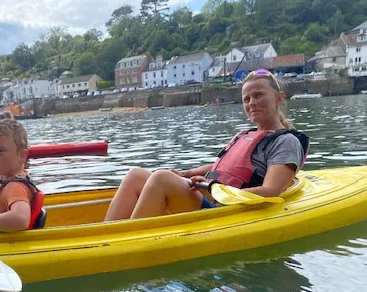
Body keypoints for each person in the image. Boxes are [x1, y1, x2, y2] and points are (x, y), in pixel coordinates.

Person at [105, 69, 309, 221]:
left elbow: (270, 191)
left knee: (161, 179)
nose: (252, 102)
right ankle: (107, 235)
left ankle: (129, 240)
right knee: (135, 175)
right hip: (213, 197)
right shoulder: (246, 135)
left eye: (258, 95)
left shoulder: (286, 142)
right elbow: (222, 168)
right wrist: (187, 173)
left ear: (279, 98)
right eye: (246, 98)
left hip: (228, 211)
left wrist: (213, 189)